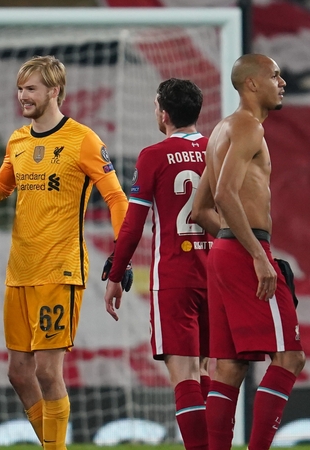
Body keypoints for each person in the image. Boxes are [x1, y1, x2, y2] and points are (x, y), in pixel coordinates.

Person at [0, 55, 129, 449]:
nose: (22, 96)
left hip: (59, 269)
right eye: (20, 88)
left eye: (31, 88)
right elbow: (2, 184)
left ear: (54, 91)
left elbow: (116, 197)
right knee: (18, 372)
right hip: (20, 270)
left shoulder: (83, 140)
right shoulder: (18, 139)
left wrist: (124, 251)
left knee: (48, 371)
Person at [191, 53, 305, 450]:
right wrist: (256, 253)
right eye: (275, 75)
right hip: (244, 251)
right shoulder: (247, 128)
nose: (282, 82)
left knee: (230, 366)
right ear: (252, 84)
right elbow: (222, 194)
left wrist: (228, 242)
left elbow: (198, 209)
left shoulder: (221, 131)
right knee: (290, 358)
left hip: (225, 250)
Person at [103, 78, 211, 449]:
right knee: (206, 370)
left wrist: (116, 273)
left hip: (175, 278)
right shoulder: (219, 149)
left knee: (184, 376)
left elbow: (133, 225)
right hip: (217, 274)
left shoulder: (153, 155)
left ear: (164, 114)